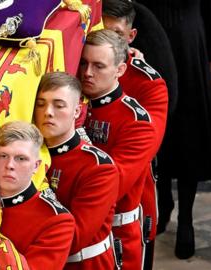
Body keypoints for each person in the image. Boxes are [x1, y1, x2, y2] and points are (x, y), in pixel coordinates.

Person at [136, 0, 211, 259]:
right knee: (157, 132)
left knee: (191, 135)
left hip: (190, 45)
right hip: (150, 42)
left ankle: (186, 218)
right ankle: (163, 203)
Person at [77, 29, 157, 270]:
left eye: (99, 66)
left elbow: (114, 185)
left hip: (115, 237)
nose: (87, 73)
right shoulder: (71, 100)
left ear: (120, 70)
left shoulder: (136, 121)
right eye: (83, 63)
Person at [102, 1, 169, 268]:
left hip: (129, 200)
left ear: (130, 37)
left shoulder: (146, 83)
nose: (108, 43)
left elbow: (143, 148)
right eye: (102, 32)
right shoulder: (83, 67)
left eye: (116, 35)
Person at [33, 72, 120, 269]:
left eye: (59, 105)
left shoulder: (98, 168)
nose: (47, 112)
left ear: (76, 111)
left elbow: (75, 238)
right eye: (40, 104)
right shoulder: (27, 154)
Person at [0, 121, 75, 270]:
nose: (9, 165)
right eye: (3, 155)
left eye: (21, 158)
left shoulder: (56, 220)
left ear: (36, 166)